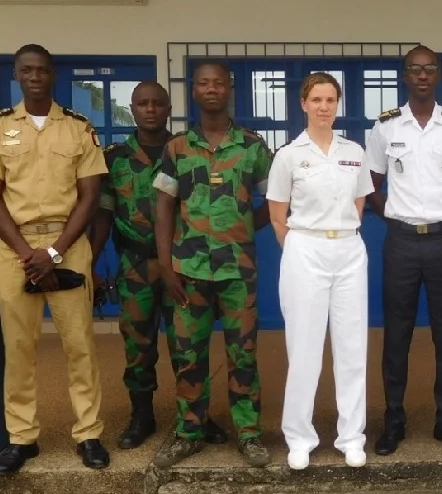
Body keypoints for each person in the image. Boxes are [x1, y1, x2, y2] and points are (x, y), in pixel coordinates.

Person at [0, 44, 110, 472]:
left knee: (80, 346)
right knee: (19, 347)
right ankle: (23, 438)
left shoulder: (78, 129)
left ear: (53, 75)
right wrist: (29, 252)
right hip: (15, 250)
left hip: (67, 246)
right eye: (26, 70)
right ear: (16, 75)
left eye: (42, 70)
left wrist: (53, 251)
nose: (34, 77)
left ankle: (89, 435)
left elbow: (90, 197)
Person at [88, 81, 228, 450]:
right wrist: (89, 261)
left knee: (189, 345)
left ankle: (196, 416)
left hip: (184, 265)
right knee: (138, 345)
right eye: (142, 104)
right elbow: (103, 214)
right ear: (132, 109)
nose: (150, 109)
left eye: (157, 103)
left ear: (168, 109)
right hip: (135, 265)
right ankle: (142, 416)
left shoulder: (187, 150)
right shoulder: (114, 158)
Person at [151, 61, 274, 467]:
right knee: (189, 355)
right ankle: (189, 432)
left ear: (229, 89)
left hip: (238, 272)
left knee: (244, 354)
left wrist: (241, 231)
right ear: (194, 90)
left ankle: (249, 433)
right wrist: (167, 263)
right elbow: (164, 206)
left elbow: (273, 204)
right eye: (203, 82)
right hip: (188, 271)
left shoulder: (253, 147)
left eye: (218, 82)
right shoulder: (177, 148)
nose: (211, 89)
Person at [365, 45, 442, 455]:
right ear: (405, 75)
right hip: (401, 243)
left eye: (430, 68)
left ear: (439, 74)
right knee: (397, 334)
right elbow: (370, 184)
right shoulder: (385, 127)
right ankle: (393, 419)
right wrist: (393, 214)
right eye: (415, 69)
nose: (423, 74)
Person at [266, 72, 375, 470]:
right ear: (303, 103)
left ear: (338, 104)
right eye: (317, 100)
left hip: (347, 248)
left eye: (331, 100)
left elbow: (359, 203)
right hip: (305, 248)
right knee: (305, 346)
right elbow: (278, 215)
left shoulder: (354, 151)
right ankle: (299, 435)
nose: (324, 107)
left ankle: (352, 436)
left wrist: (337, 236)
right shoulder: (288, 155)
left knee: (351, 347)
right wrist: (301, 249)